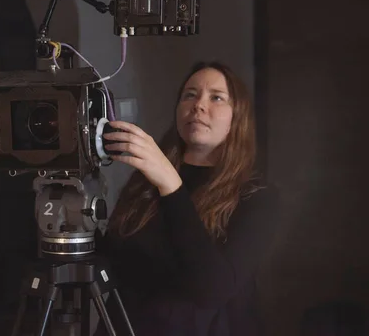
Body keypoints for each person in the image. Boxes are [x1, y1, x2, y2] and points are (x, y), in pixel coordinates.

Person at [94, 61, 281, 336]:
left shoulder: (258, 197)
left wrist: (171, 186)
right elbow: (114, 264)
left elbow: (212, 291)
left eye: (216, 97)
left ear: (236, 118)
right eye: (190, 95)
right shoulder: (145, 181)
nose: (199, 105)